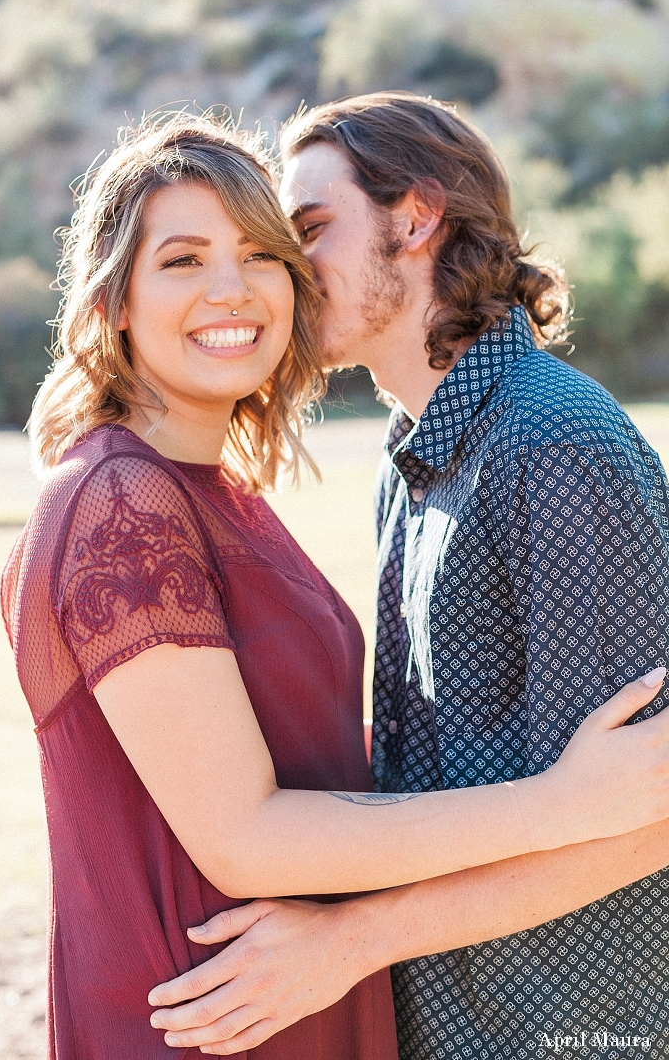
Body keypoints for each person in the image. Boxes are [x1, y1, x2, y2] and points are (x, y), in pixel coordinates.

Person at [147, 95, 669, 1060]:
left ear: (418, 217)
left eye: (307, 229)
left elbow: (650, 810)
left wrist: (349, 941)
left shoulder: (554, 444)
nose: (285, 272)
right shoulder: (414, 453)